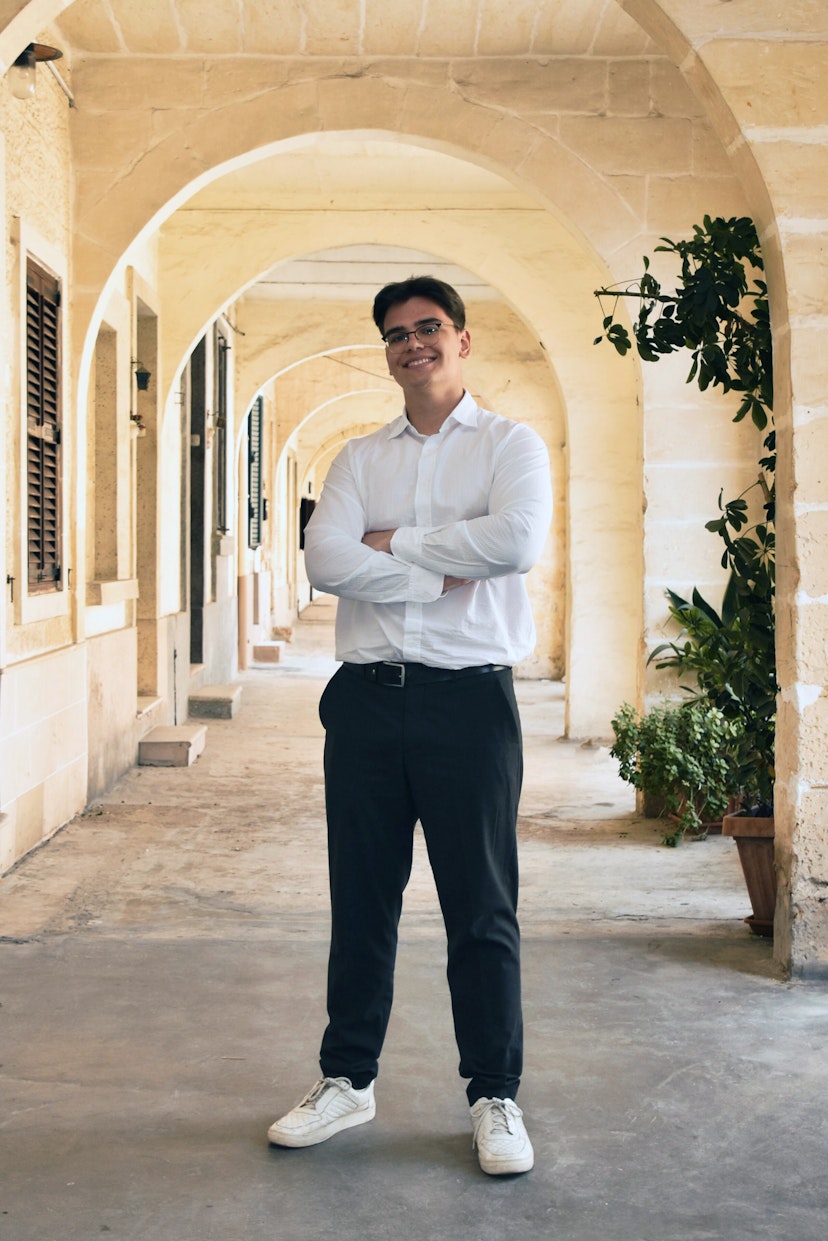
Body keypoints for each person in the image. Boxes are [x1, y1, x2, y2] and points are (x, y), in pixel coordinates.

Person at [267, 276, 553, 1175]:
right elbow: (325, 559)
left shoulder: (511, 445)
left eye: (429, 327)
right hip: (366, 701)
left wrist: (392, 544)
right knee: (361, 901)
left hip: (470, 703)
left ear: (462, 339)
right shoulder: (359, 460)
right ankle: (346, 1080)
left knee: (482, 907)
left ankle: (495, 1095)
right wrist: (439, 570)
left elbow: (515, 543)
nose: (413, 342)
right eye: (396, 333)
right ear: (387, 352)